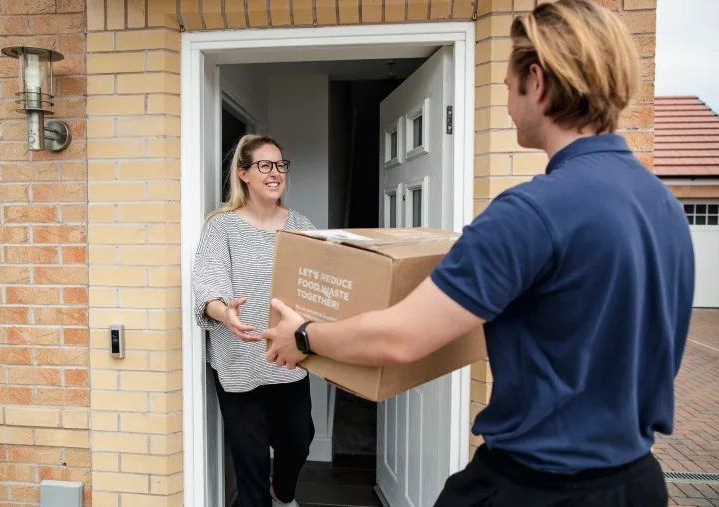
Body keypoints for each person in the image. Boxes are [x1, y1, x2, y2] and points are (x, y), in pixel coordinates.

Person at [261, 1, 695, 506]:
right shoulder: (663, 205)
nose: (507, 100)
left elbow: (400, 338)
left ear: (537, 81)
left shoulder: (532, 212)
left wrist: (306, 336)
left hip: (537, 488)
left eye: (508, 84)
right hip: (636, 484)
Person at [192, 134, 316, 507]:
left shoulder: (302, 226)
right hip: (238, 362)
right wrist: (223, 311)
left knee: (299, 439)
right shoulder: (221, 226)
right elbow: (208, 282)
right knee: (251, 463)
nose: (275, 172)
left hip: (287, 357)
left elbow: (314, 285)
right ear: (244, 174)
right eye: (265, 165)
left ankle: (284, 492)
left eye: (280, 165)